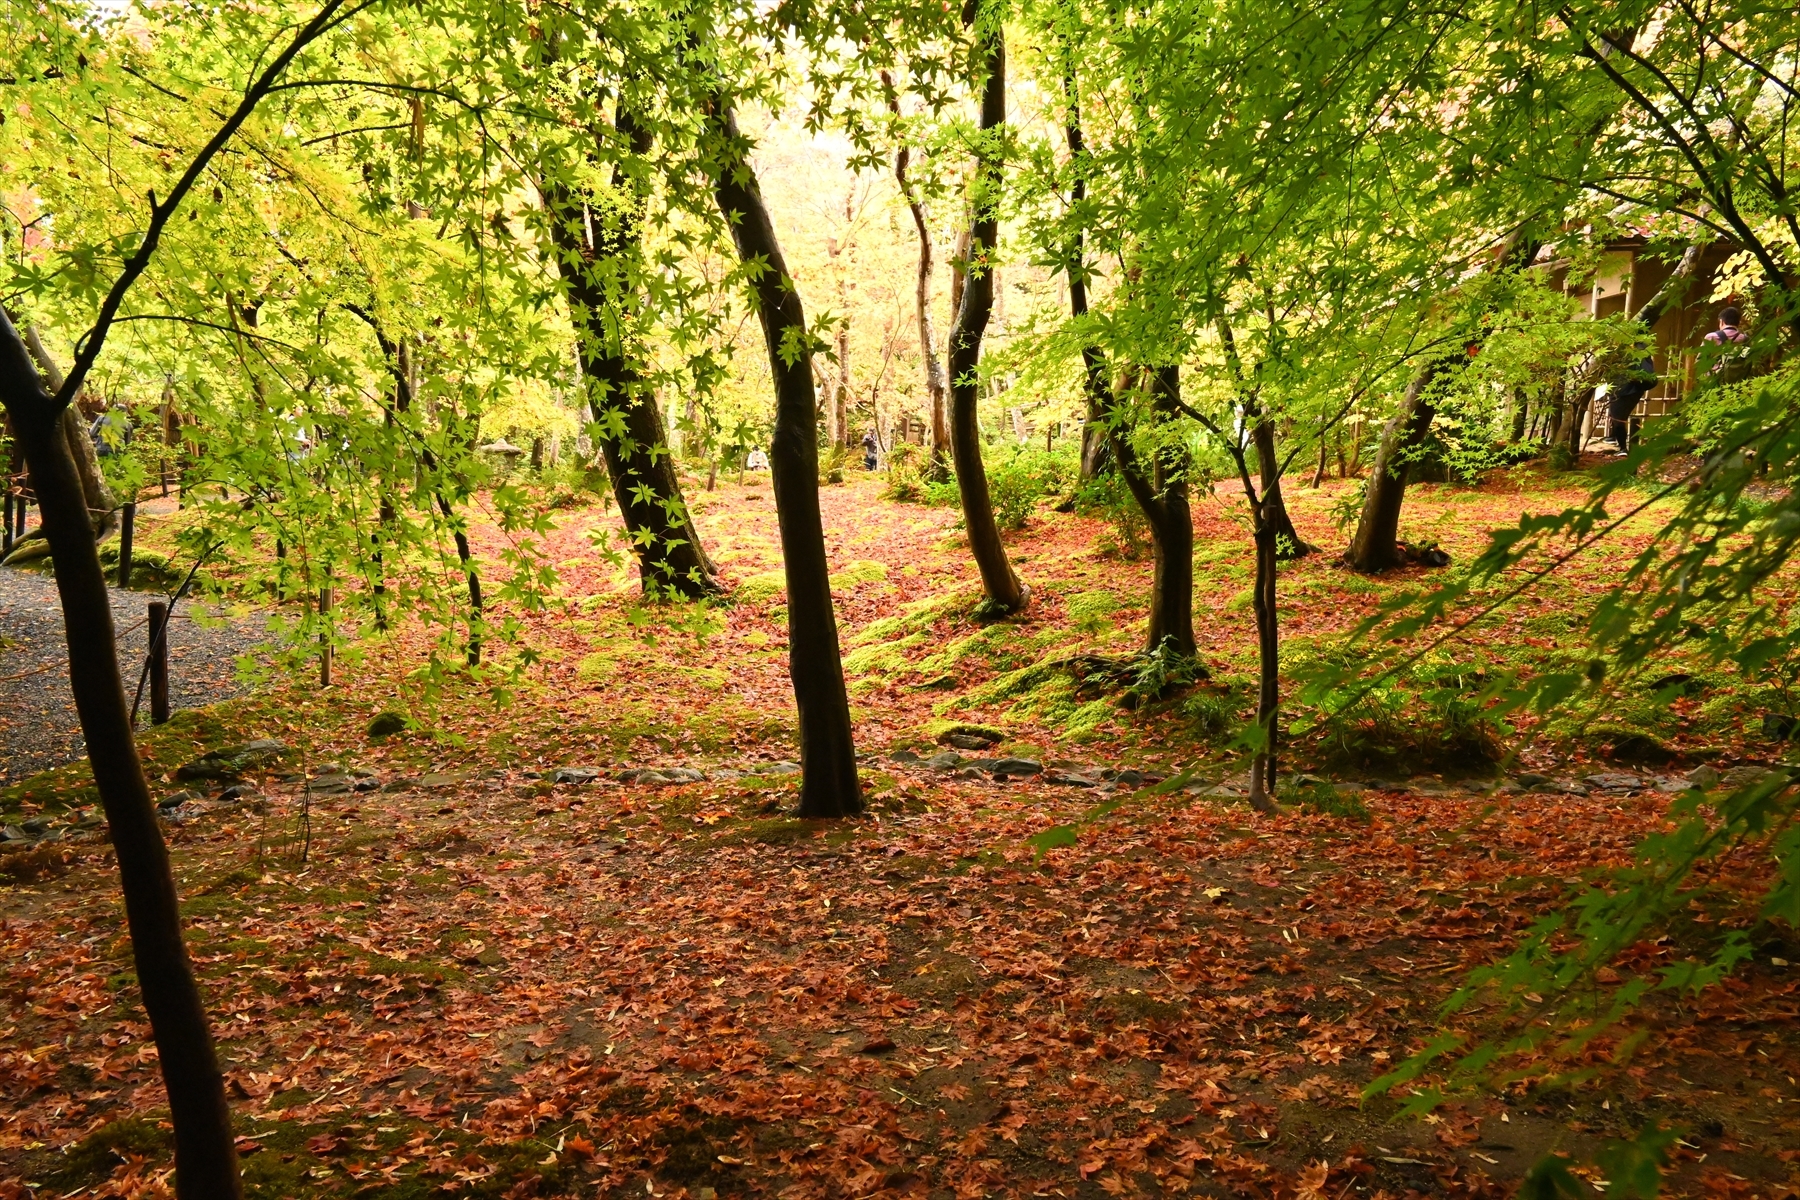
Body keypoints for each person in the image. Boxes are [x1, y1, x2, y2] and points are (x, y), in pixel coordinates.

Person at [1604, 350, 1657, 453]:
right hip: (1633, 389)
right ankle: (1615, 438)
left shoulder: (1628, 349)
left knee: (1617, 418)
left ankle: (1623, 448)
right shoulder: (1642, 348)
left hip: (1625, 389)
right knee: (1618, 416)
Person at [1704, 305, 1750, 383]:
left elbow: (1699, 363)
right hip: (1740, 385)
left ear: (1721, 321)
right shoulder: (1746, 339)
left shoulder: (1711, 337)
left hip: (1716, 384)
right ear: (1739, 322)